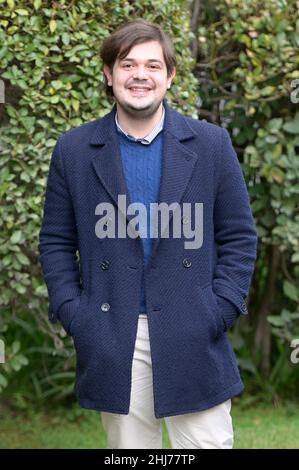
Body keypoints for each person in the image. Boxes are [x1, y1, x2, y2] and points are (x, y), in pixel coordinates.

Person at [38, 19, 257, 449]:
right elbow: (56, 242)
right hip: (114, 332)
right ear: (108, 73)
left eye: (153, 65)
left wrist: (219, 309)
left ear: (170, 75)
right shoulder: (74, 150)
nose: (140, 75)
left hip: (193, 327)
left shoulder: (211, 144)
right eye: (128, 64)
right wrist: (74, 313)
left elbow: (239, 236)